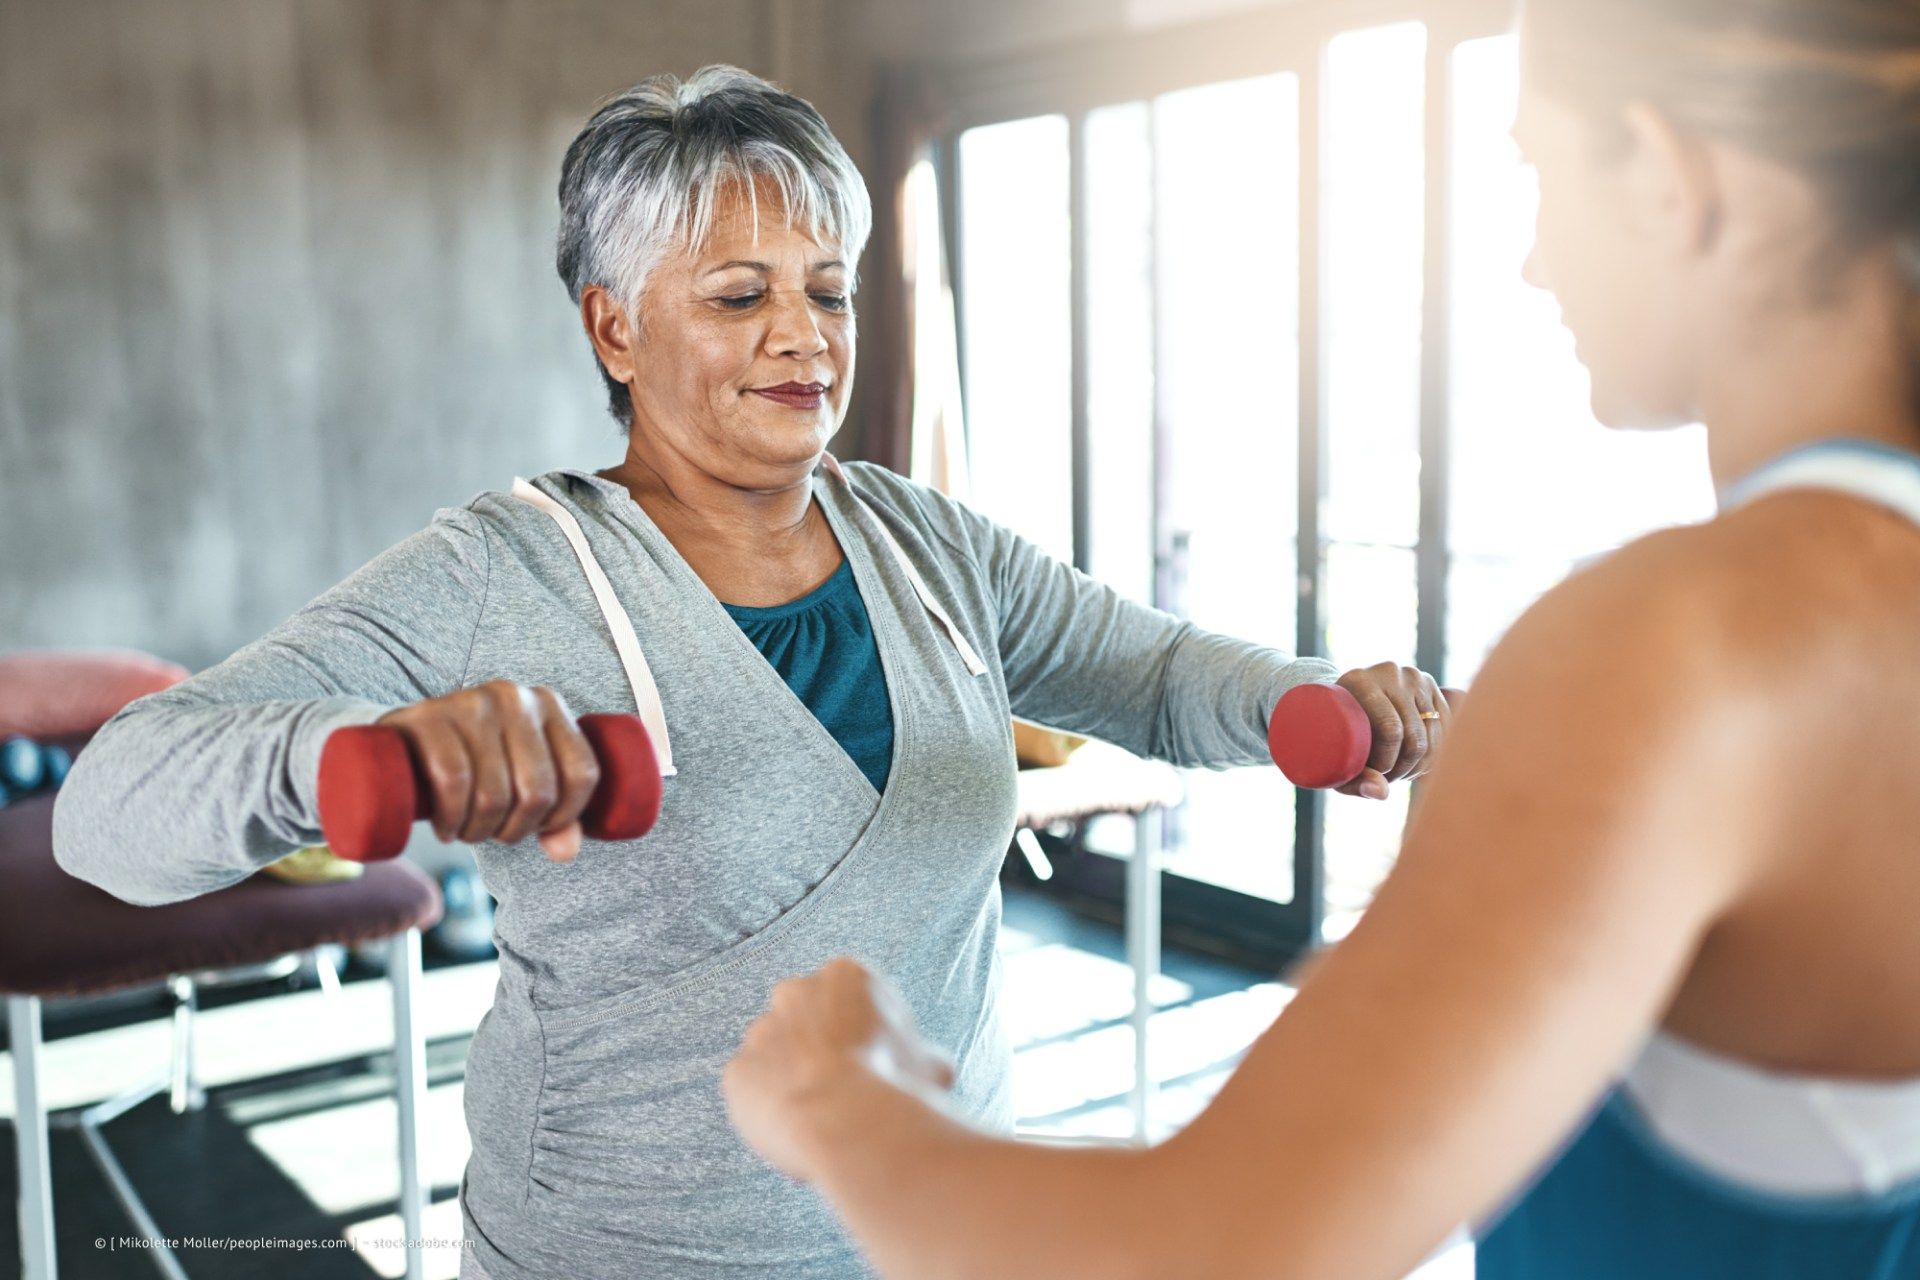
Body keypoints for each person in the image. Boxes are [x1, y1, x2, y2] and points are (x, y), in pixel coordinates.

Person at [50, 66, 1447, 1280]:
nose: (808, 335)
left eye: (827, 290)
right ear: (613, 329)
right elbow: (110, 806)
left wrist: (1301, 698)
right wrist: (357, 750)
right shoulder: (505, 571)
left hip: (943, 1228)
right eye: (740, 295)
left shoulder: (921, 539)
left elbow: (1147, 672)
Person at [721, 4, 1920, 1277]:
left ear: (1668, 177)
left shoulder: (1673, 647)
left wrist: (847, 1100)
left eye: (1537, 170)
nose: (1531, 258)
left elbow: (1201, 1250)